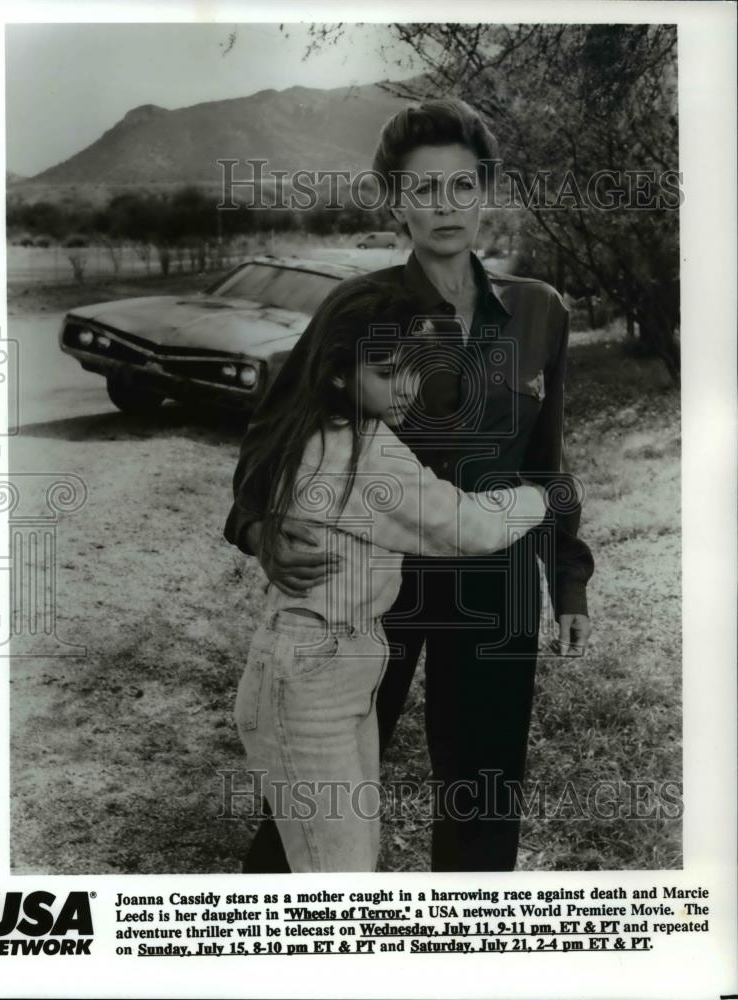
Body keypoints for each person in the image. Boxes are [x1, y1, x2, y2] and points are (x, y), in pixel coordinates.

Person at [224, 96, 595, 872]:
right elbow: (272, 437)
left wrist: (567, 580)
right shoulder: (362, 311)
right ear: (394, 199)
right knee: (316, 789)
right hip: (364, 586)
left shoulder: (538, 312)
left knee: (484, 792)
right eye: (423, 190)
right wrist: (259, 532)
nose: (444, 207)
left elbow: (545, 463)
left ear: (486, 190)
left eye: (462, 186)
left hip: (493, 582)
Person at [233, 287, 549, 872]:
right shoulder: (357, 457)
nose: (406, 387)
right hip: (312, 676)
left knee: (344, 861)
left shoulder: (344, 433)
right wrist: (538, 497)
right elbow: (469, 527)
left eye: (412, 368)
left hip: (336, 666)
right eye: (385, 371)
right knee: (337, 873)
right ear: (336, 376)